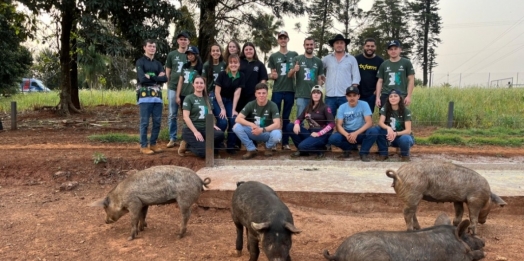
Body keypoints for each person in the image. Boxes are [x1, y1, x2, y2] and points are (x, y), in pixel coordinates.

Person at [179, 76, 225, 158]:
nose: (199, 85)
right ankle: (187, 145)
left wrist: (212, 124)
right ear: (193, 84)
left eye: (201, 83)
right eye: (197, 83)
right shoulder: (189, 98)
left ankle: (203, 144)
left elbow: (210, 113)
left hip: (204, 128)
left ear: (204, 85)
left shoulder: (207, 99)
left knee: (220, 134)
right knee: (205, 153)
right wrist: (195, 132)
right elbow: (186, 117)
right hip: (191, 129)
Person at [135, 39, 168, 155]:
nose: (152, 48)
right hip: (144, 97)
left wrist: (151, 77)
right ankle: (143, 145)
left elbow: (165, 79)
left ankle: (153, 144)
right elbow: (142, 79)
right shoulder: (140, 62)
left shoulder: (158, 64)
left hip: (157, 98)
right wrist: (157, 79)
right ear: (144, 47)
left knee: (157, 122)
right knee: (144, 122)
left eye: (154, 46)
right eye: (150, 46)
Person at [232, 83, 281, 159]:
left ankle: (268, 147)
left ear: (267, 94)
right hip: (253, 131)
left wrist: (262, 129)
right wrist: (251, 124)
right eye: (259, 93)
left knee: (277, 134)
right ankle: (251, 149)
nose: (261, 95)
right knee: (236, 127)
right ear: (255, 94)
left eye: (264, 93)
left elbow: (277, 124)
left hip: (266, 133)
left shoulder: (273, 105)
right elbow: (238, 119)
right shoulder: (251, 104)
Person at [268, 30, 298, 150]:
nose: (283, 40)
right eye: (281, 38)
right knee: (275, 117)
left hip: (290, 90)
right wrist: (272, 76)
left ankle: (285, 142)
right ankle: (274, 141)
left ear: (288, 39)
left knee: (285, 117)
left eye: (285, 38)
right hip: (277, 90)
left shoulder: (294, 55)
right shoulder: (273, 56)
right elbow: (272, 73)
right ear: (278, 40)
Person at [328, 86, 375, 161]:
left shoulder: (364, 104)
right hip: (347, 132)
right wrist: (347, 135)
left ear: (358, 96)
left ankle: (363, 153)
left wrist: (356, 133)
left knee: (373, 131)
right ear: (346, 97)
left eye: (354, 95)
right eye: (349, 96)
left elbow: (369, 123)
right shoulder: (342, 107)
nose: (352, 98)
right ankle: (348, 148)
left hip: (360, 132)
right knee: (333, 139)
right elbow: (338, 125)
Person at [286, 85, 334, 158]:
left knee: (302, 146)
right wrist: (296, 124)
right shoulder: (308, 107)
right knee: (290, 126)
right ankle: (303, 150)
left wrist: (319, 133)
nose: (316, 94)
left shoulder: (325, 107)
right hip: (310, 133)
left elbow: (332, 124)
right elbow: (299, 119)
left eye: (318, 93)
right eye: (314, 92)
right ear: (311, 95)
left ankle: (319, 150)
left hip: (321, 135)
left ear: (321, 95)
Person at [367, 89, 414, 161]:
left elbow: (408, 131)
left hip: (401, 136)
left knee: (405, 139)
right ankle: (383, 154)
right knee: (377, 130)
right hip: (389, 136)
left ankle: (405, 156)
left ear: (400, 98)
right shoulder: (386, 107)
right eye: (391, 96)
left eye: (395, 96)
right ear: (388, 99)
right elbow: (381, 122)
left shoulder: (406, 111)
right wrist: (388, 128)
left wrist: (396, 133)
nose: (393, 98)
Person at [321, 34, 361, 116]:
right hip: (330, 95)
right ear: (333, 45)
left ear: (344, 45)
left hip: (345, 95)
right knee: (329, 120)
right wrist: (323, 79)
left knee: (348, 119)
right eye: (337, 43)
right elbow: (318, 70)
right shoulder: (327, 59)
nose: (339, 45)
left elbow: (356, 76)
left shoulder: (351, 59)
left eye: (341, 43)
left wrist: (352, 93)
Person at [214, 54, 245, 154]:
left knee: (234, 120)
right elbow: (217, 92)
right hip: (218, 100)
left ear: (239, 64)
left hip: (230, 101)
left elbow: (237, 93)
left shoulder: (241, 76)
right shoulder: (223, 74)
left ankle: (230, 146)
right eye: (231, 62)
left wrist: (233, 109)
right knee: (222, 122)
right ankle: (217, 145)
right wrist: (222, 108)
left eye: (235, 62)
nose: (233, 64)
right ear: (228, 64)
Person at [165, 31, 189, 148]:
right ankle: (172, 138)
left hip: (187, 89)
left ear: (188, 41)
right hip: (173, 88)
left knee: (187, 115)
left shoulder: (191, 54)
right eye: (181, 39)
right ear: (177, 41)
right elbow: (168, 71)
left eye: (185, 39)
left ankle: (186, 138)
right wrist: (168, 88)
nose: (183, 41)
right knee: (172, 114)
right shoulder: (172, 55)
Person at [376, 39, 415, 108]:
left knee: (401, 117)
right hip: (386, 95)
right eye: (391, 49)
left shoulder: (406, 62)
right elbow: (380, 81)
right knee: (384, 117)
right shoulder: (384, 64)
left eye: (395, 49)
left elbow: (411, 79)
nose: (393, 51)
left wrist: (409, 96)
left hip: (401, 94)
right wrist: (377, 98)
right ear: (388, 51)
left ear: (400, 49)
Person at [292, 37, 324, 118]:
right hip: (301, 94)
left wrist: (319, 92)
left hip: (315, 95)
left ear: (314, 45)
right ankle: (299, 130)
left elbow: (319, 78)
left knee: (315, 118)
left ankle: (313, 130)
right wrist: (294, 70)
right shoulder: (297, 59)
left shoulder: (318, 61)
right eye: (307, 44)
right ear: (304, 46)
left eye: (311, 44)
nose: (309, 46)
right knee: (300, 118)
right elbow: (289, 75)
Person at [237, 42, 268, 112]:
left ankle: (209, 122)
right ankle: (210, 122)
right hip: (239, 95)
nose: (248, 51)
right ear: (243, 51)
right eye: (246, 49)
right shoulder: (238, 62)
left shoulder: (259, 64)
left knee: (251, 116)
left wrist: (259, 93)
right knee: (237, 116)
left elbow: (263, 79)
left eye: (250, 49)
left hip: (252, 96)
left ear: (254, 50)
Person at [355, 38, 384, 113]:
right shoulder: (356, 59)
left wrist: (377, 91)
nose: (370, 48)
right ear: (364, 46)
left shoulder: (380, 61)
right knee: (357, 115)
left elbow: (382, 78)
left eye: (372, 46)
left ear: (375, 47)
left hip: (371, 94)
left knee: (368, 115)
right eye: (368, 46)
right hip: (357, 93)